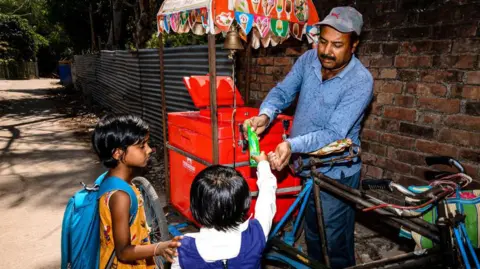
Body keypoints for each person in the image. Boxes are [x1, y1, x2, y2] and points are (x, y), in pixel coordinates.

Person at [243, 6, 373, 268]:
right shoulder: (308, 60)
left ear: (354, 45)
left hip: (337, 172)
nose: (326, 51)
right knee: (314, 233)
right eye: (323, 41)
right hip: (307, 165)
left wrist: (291, 144)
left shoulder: (361, 81)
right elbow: (282, 92)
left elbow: (334, 133)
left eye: (337, 45)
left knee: (334, 241)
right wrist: (265, 115)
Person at [92, 114, 183, 269]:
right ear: (118, 153)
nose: (149, 150)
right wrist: (158, 248)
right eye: (141, 146)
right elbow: (123, 252)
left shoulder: (109, 179)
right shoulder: (120, 196)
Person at [171, 152, 277, 269]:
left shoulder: (182, 250)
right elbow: (267, 195)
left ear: (196, 207)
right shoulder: (256, 234)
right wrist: (263, 163)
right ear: (245, 202)